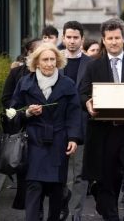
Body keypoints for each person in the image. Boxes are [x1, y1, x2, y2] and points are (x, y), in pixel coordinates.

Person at [79, 18, 124, 221]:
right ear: (103, 40)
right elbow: (82, 94)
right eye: (110, 38)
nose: (114, 42)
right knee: (106, 180)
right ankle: (111, 216)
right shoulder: (93, 66)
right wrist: (88, 104)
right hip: (104, 131)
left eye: (117, 38)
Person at [10, 43, 81, 221]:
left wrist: (73, 137)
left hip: (59, 140)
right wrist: (27, 112)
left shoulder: (67, 84)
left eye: (52, 59)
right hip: (34, 140)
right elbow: (13, 111)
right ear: (36, 63)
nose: (49, 63)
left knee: (57, 186)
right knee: (33, 184)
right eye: (45, 60)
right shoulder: (24, 83)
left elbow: (74, 113)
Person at [1, 37, 42, 211]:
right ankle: (26, 204)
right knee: (24, 165)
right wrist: (22, 111)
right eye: (37, 50)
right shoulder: (17, 73)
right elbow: (6, 99)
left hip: (46, 129)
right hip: (23, 128)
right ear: (29, 53)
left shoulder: (54, 72)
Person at [61, 21, 93, 221]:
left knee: (80, 172)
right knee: (60, 172)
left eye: (76, 37)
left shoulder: (91, 63)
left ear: (82, 39)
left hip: (83, 123)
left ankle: (76, 213)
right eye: (68, 37)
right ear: (63, 38)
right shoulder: (53, 61)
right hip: (57, 125)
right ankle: (62, 207)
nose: (72, 41)